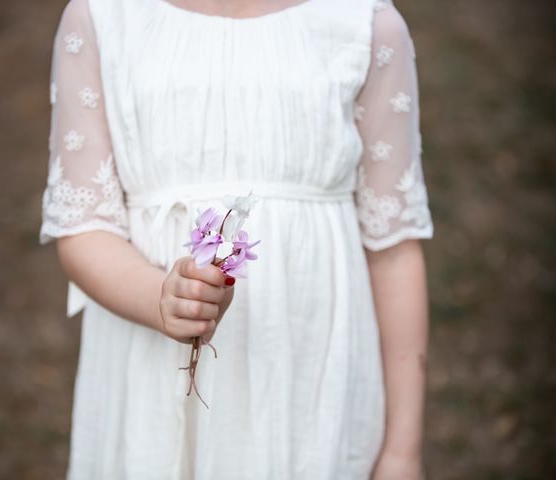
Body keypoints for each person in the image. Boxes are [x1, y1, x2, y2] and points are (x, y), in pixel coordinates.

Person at [39, 0, 434, 477]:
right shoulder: (103, 16)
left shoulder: (362, 21)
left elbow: (393, 249)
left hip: (310, 376)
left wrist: (402, 452)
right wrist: (160, 298)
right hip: (152, 377)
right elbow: (83, 227)